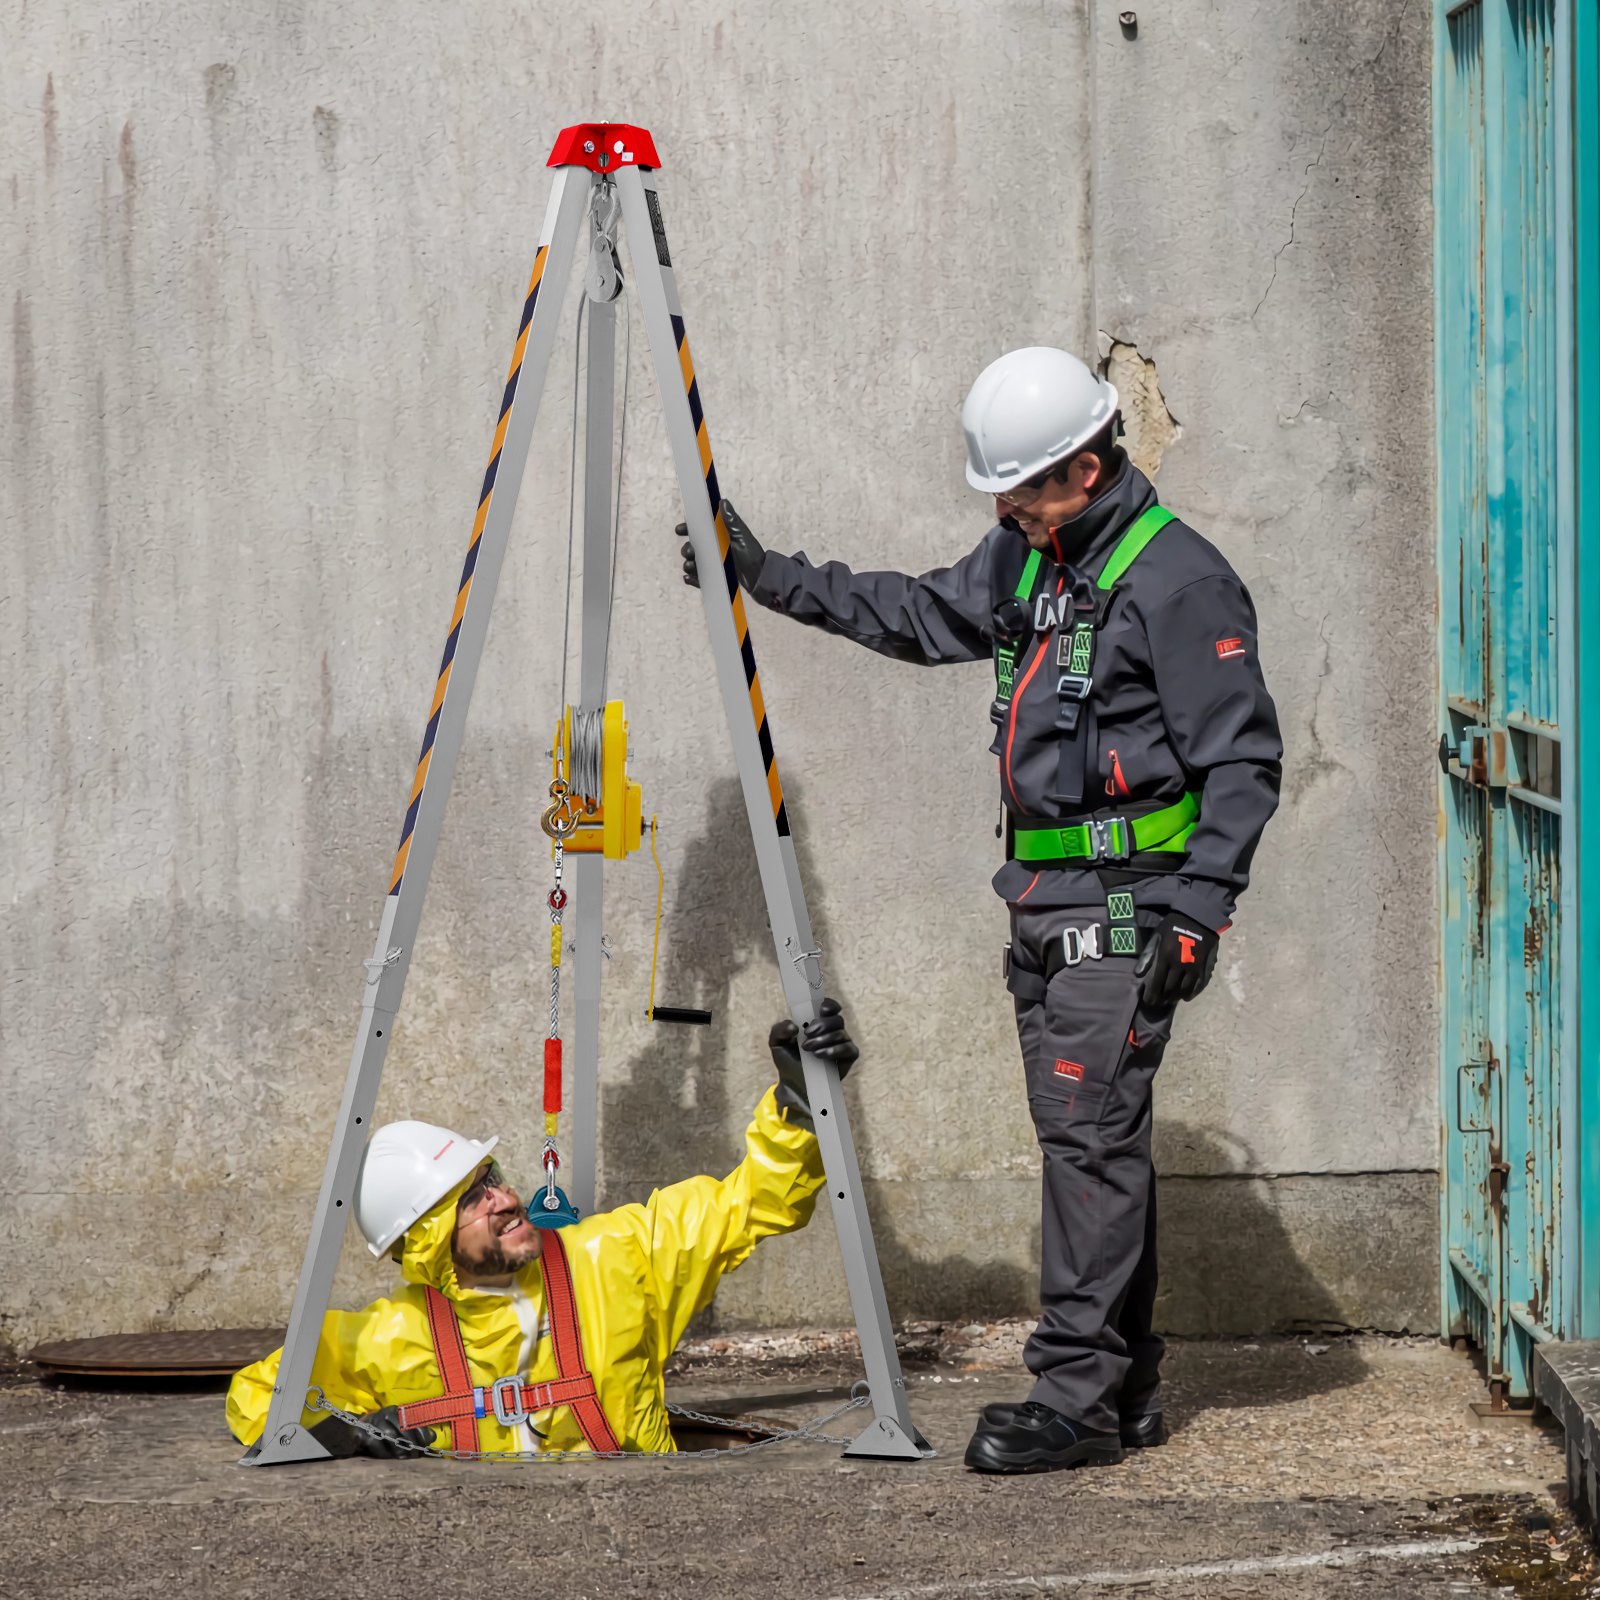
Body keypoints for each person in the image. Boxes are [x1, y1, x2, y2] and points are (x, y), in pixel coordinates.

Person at [680, 347, 1282, 1474]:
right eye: (1001, 494)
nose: (1005, 512)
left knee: (1087, 1142)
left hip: (1123, 909)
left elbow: (1242, 763)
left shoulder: (1178, 581)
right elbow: (916, 614)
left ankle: (1073, 1400)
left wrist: (1199, 910)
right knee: (1094, 1143)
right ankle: (1126, 1385)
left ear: (1087, 469)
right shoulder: (1027, 556)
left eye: (1023, 491)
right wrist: (765, 575)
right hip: (1041, 904)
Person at [227, 1002, 860, 1458]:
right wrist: (342, 1436)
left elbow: (751, 1203)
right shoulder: (395, 1338)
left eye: (494, 1177)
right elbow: (255, 1393)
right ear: (426, 1241)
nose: (505, 1197)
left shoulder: (617, 1258)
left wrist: (800, 1106)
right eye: (473, 1198)